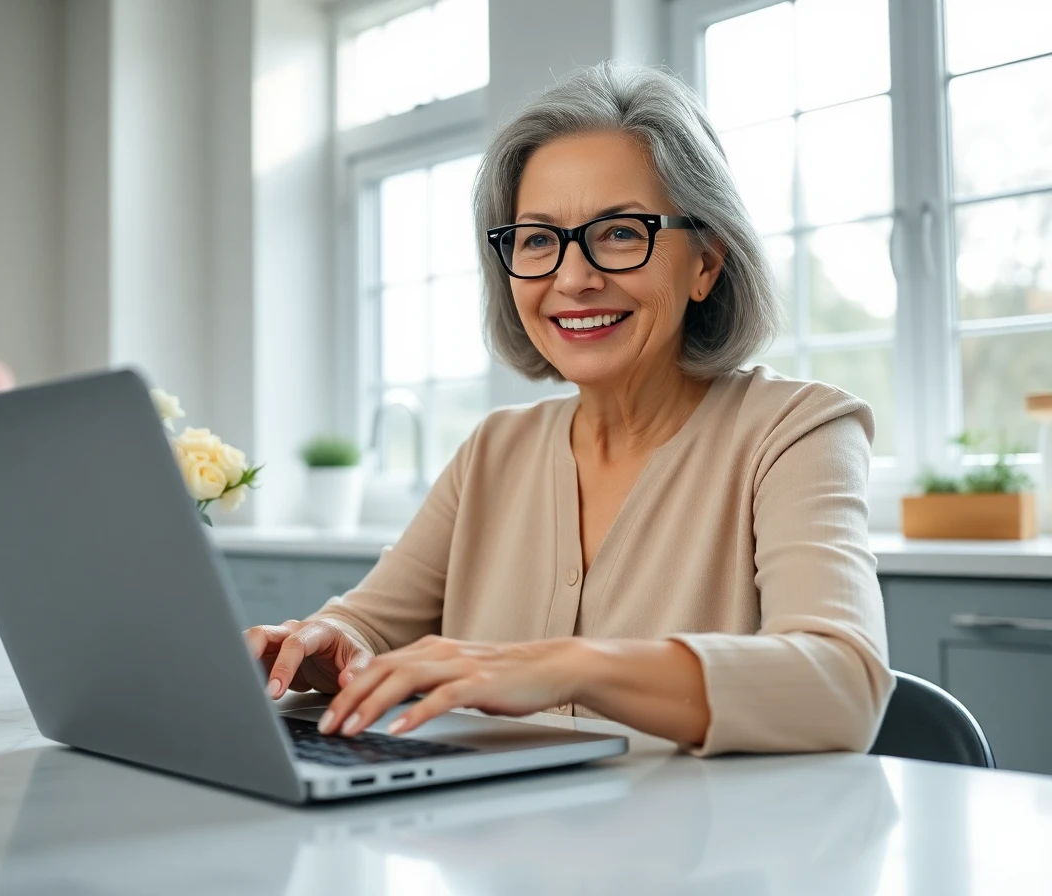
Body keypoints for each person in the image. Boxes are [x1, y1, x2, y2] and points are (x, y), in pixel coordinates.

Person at [245, 62, 894, 756]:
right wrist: (323, 645)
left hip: (708, 855)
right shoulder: (495, 450)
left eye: (619, 232)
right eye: (537, 240)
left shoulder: (797, 432)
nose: (574, 278)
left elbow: (843, 687)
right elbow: (367, 624)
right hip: (501, 854)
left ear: (706, 262)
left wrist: (559, 664)